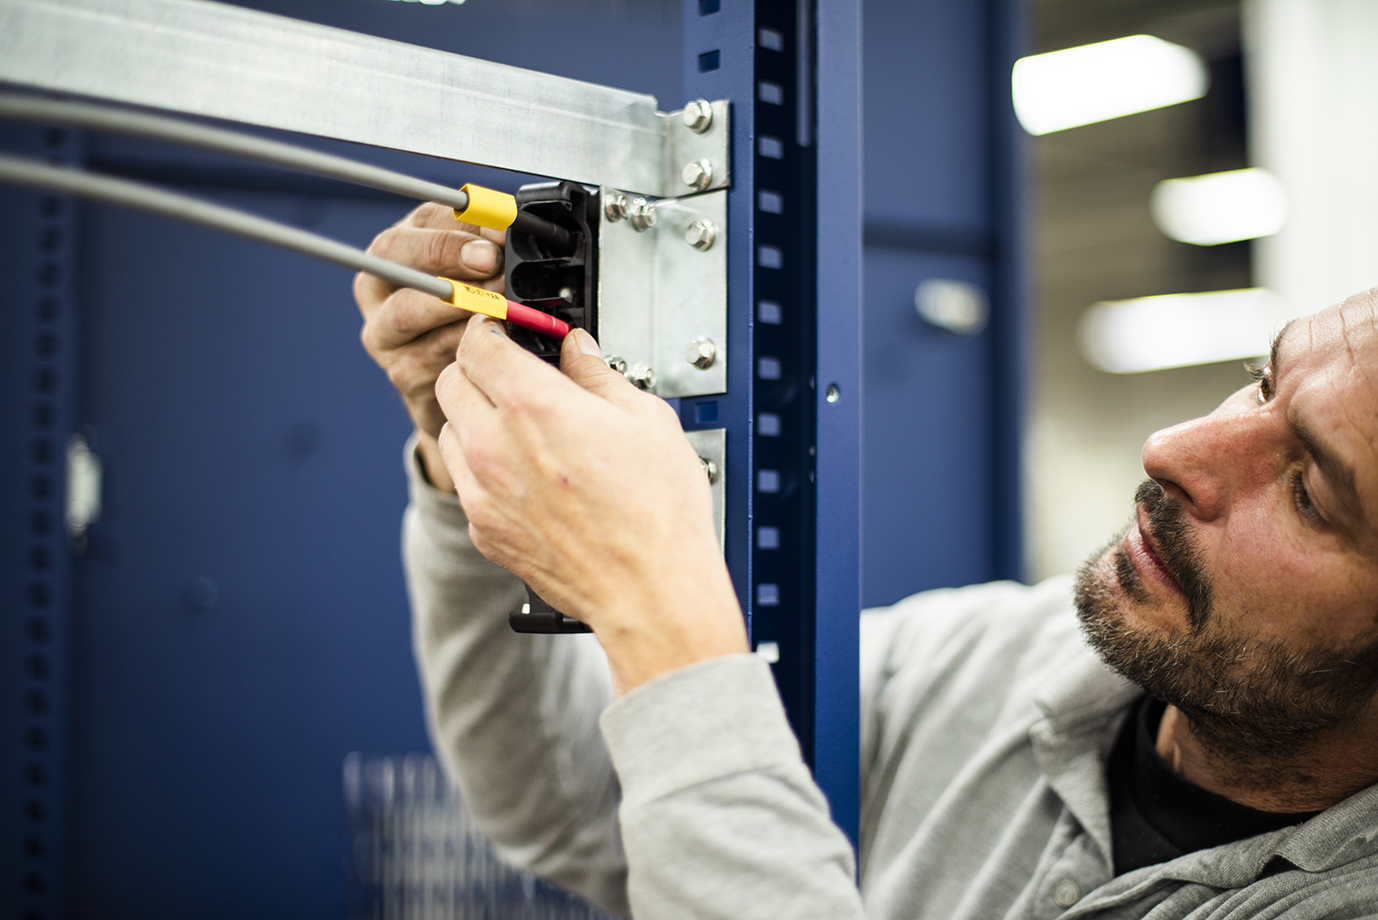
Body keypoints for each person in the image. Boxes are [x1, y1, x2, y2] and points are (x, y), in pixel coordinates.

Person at [355, 202, 1378, 920]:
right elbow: (580, 800)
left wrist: (659, 606)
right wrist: (469, 459)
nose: (1172, 450)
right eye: (1259, 382)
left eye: (1307, 489)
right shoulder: (990, 659)